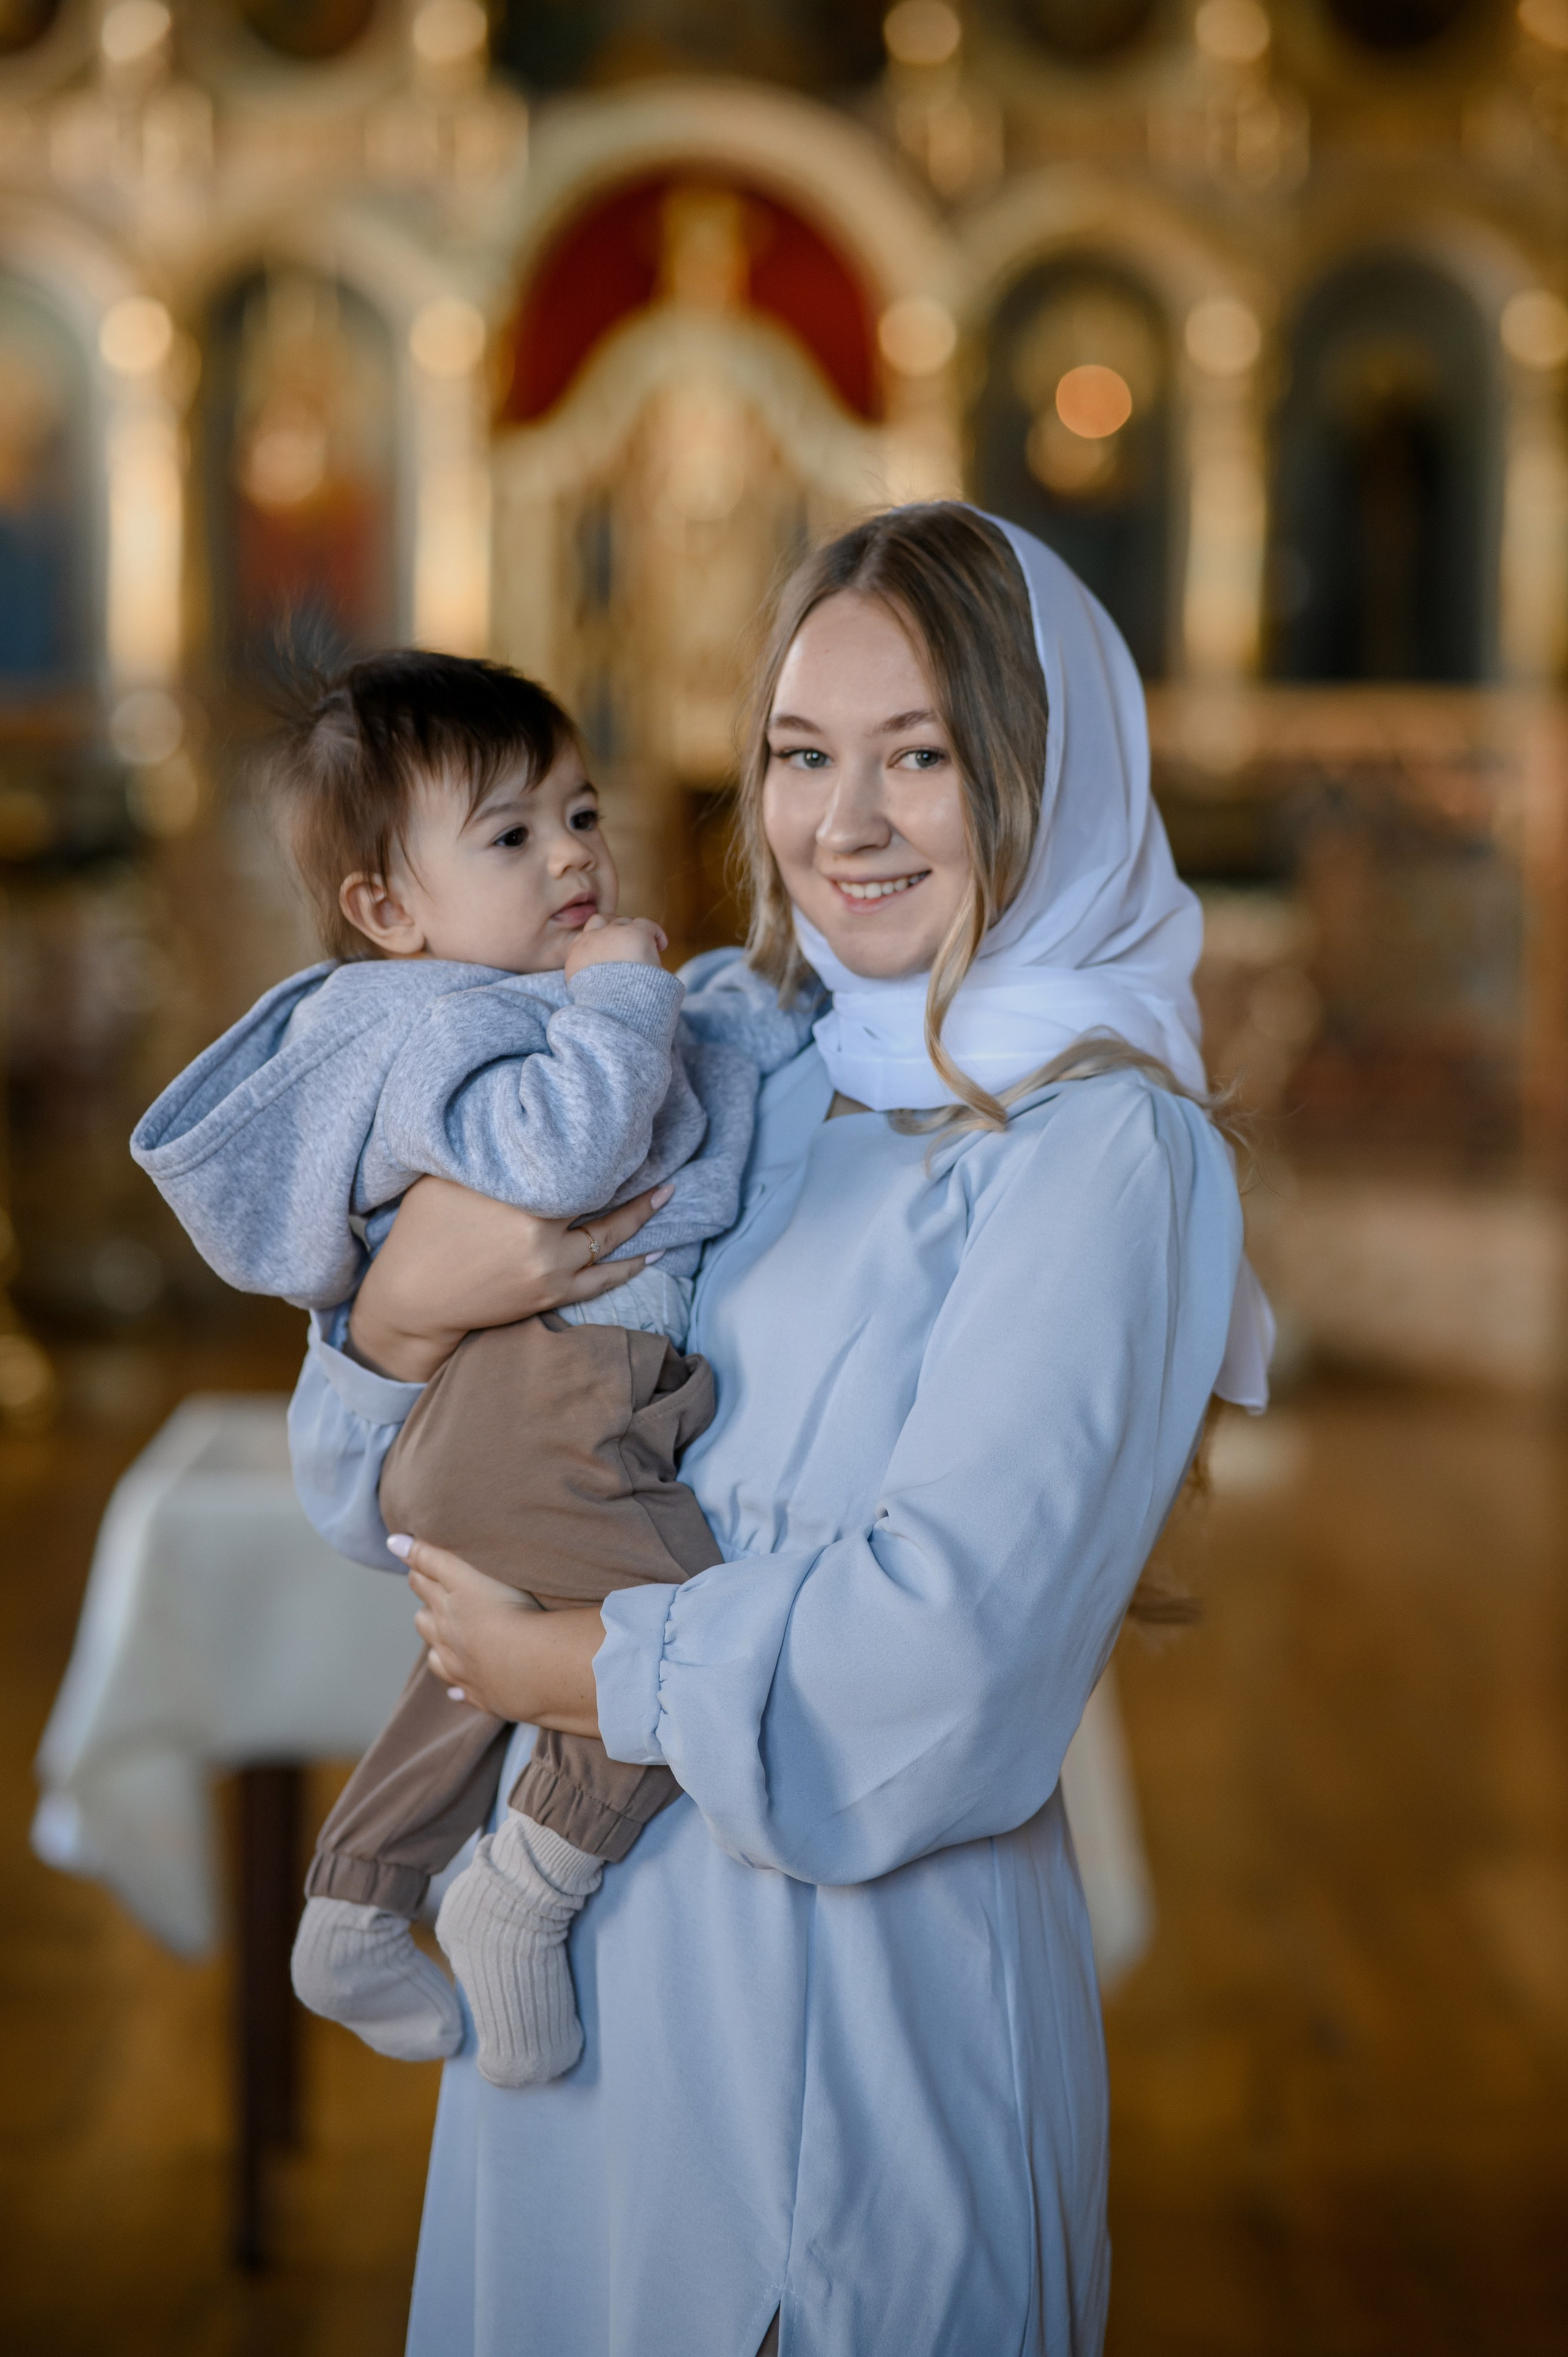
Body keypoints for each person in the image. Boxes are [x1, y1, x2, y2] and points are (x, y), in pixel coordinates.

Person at [288, 503, 1270, 2356]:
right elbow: (381, 1498)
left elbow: (947, 1666)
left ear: (1050, 767)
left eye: (923, 756)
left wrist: (566, 1666)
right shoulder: (704, 1048)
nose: (846, 824)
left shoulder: (1101, 1151)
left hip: (848, 2018)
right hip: (562, 2019)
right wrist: (395, 1324)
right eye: (802, 756)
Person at [131, 650, 812, 2086]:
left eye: (580, 812)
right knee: (676, 1646)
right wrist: (622, 999)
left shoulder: (506, 1000)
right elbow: (563, 1155)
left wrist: (716, 1010)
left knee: (485, 1673)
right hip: (543, 1409)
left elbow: (684, 1070)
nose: (571, 854)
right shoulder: (440, 1021)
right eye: (510, 835)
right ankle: (528, 1883)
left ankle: (357, 1896)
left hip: (512, 1422)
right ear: (390, 911)